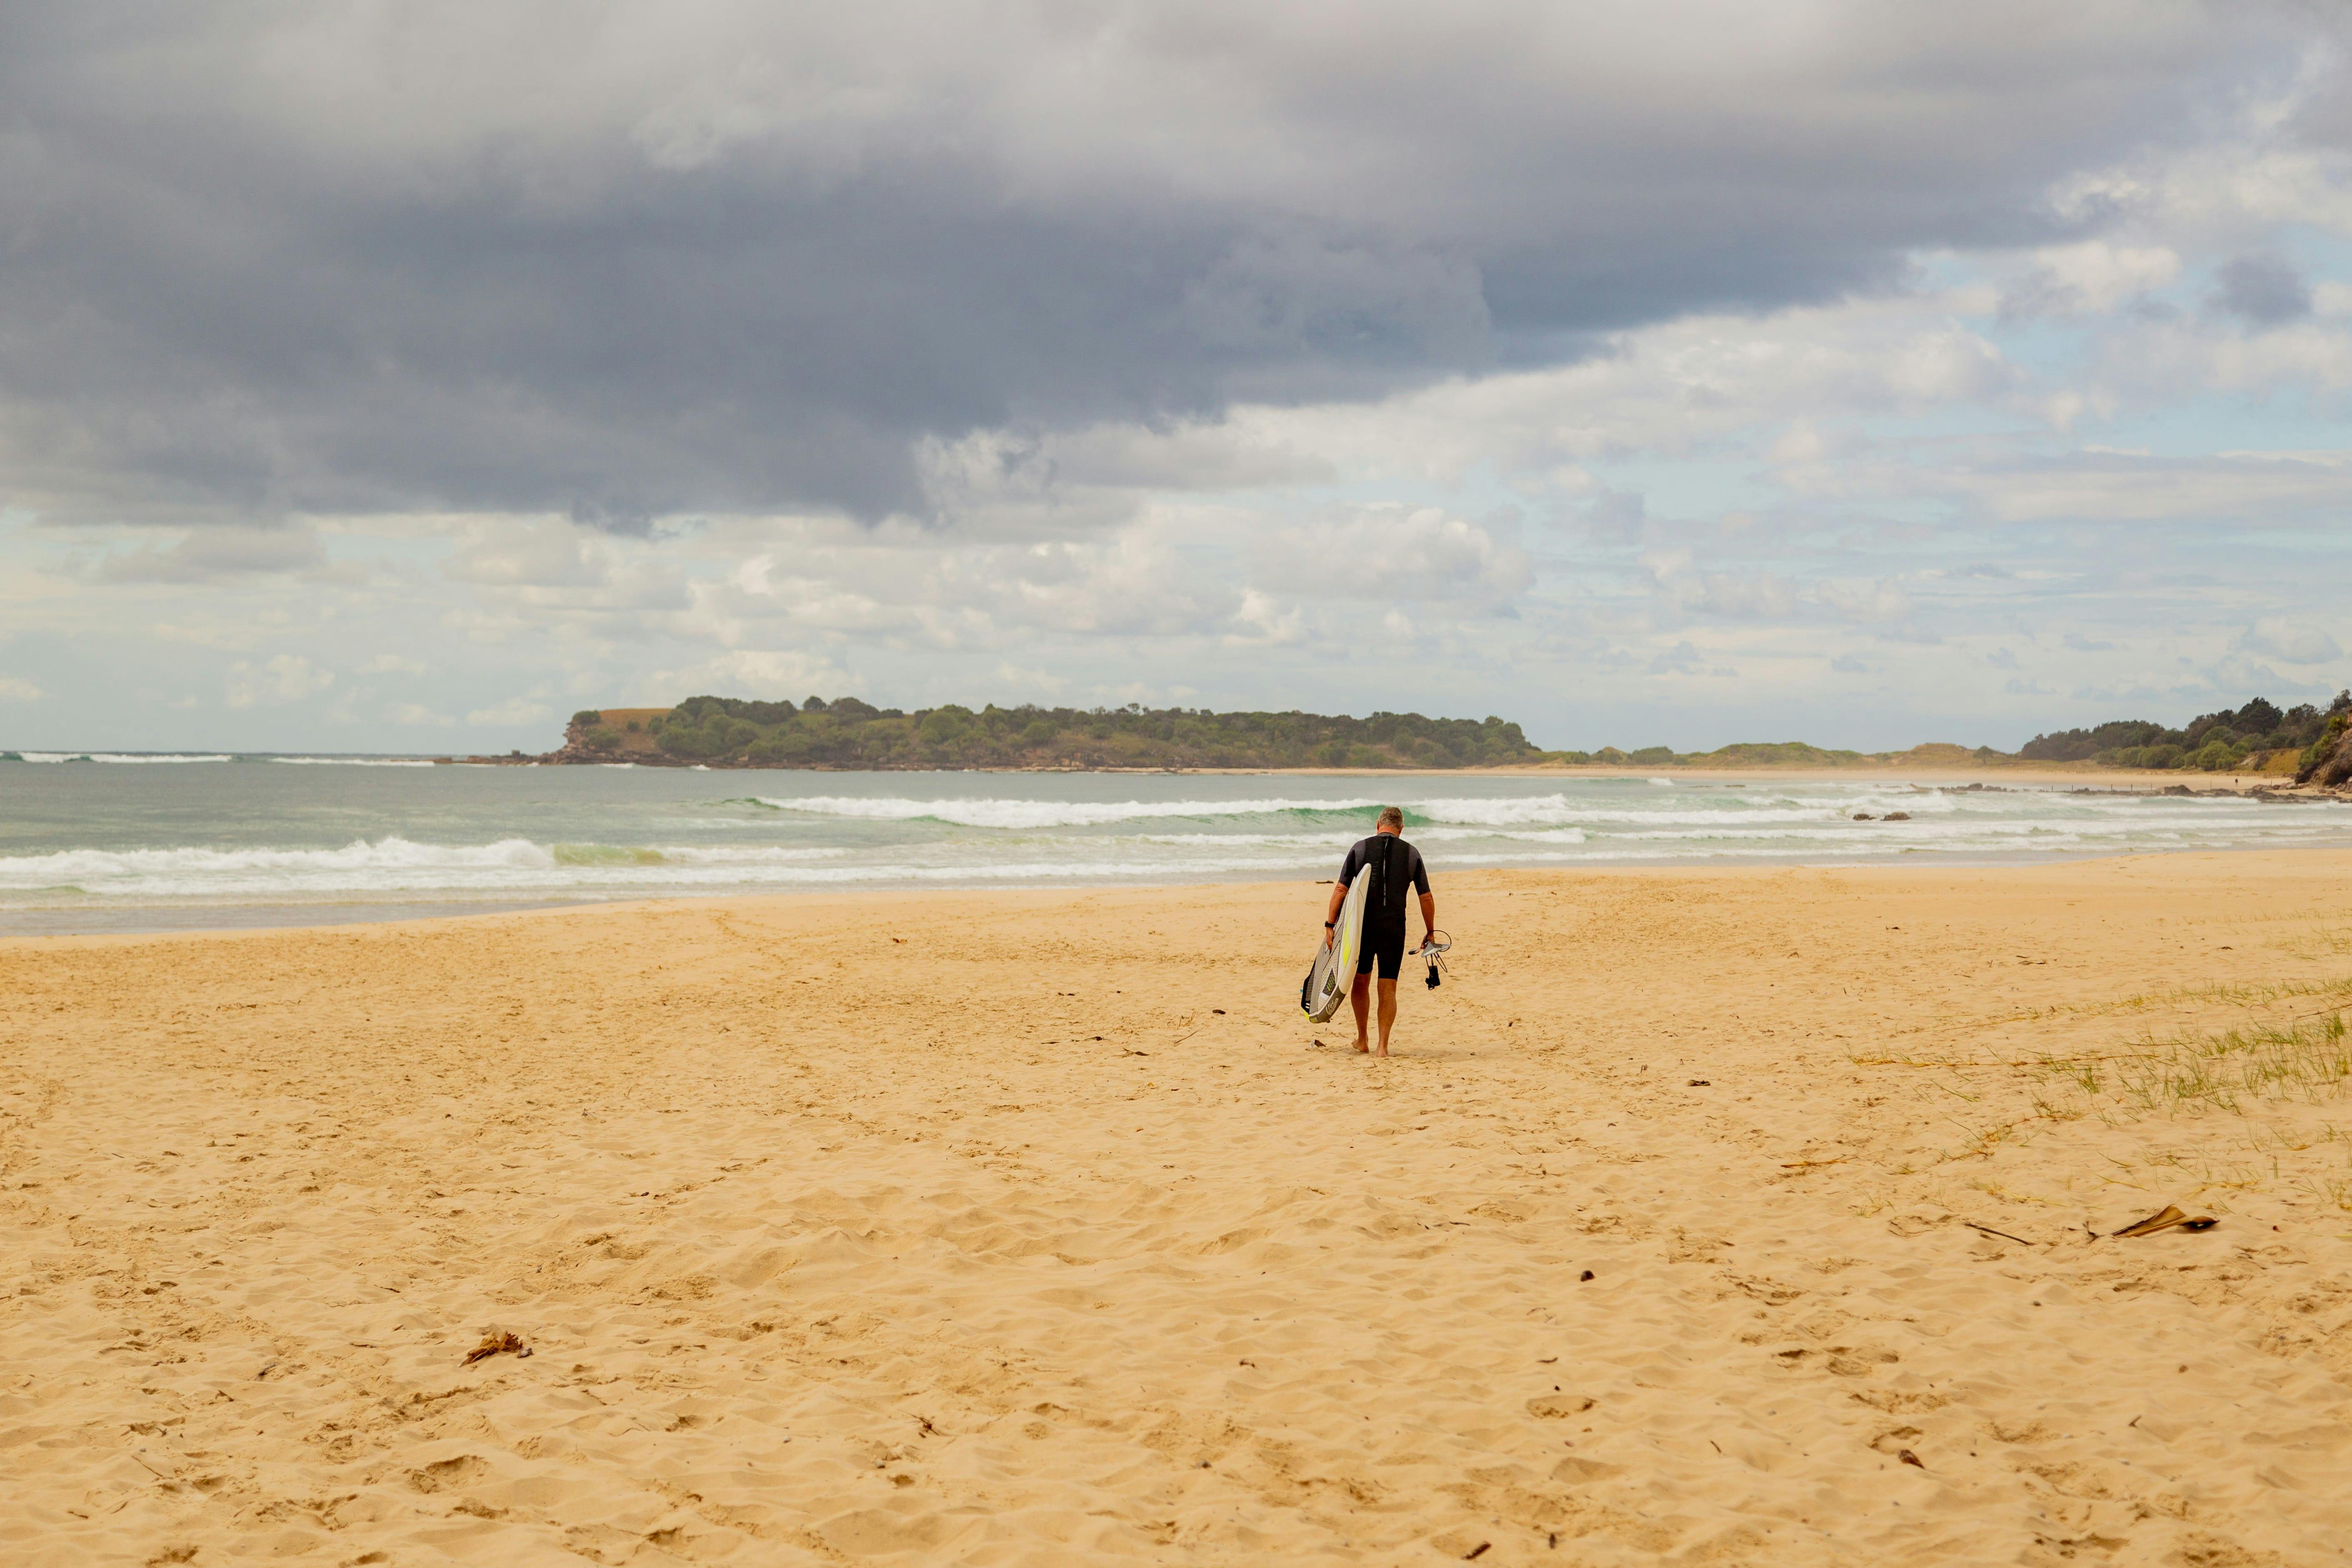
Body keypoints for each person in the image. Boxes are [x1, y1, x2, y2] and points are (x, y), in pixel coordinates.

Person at [1319, 805, 1436, 1057]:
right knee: (1388, 986)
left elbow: (1341, 890)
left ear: (1377, 824)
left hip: (1363, 928)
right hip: (1394, 928)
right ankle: (1383, 1047)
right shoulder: (1412, 854)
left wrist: (1330, 925)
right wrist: (1430, 932)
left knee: (1361, 981)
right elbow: (1425, 897)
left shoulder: (1360, 848)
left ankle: (1363, 1040)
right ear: (1401, 829)